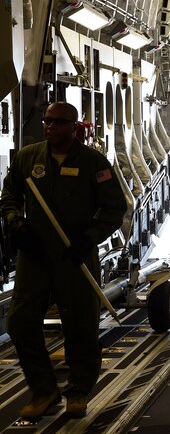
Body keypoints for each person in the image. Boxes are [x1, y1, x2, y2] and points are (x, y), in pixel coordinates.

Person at [0, 102, 127, 420]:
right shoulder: (28, 158)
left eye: (58, 122)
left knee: (80, 326)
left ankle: (77, 392)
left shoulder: (93, 162)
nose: (50, 127)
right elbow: (10, 194)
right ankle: (44, 389)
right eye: (47, 121)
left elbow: (114, 208)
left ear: (74, 127)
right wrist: (16, 221)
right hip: (36, 255)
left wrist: (90, 238)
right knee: (19, 321)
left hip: (76, 256)